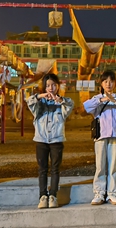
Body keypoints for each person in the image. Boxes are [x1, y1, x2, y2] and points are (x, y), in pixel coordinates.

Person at [83, 70, 116, 205]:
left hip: (115, 134)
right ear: (101, 84)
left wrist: (114, 100)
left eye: (111, 81)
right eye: (105, 81)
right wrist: (102, 99)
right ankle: (99, 193)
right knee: (100, 165)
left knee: (113, 165)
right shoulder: (97, 98)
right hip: (100, 135)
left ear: (115, 83)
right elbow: (86, 107)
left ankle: (112, 194)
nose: (108, 84)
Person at [26, 73, 74, 209]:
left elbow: (70, 104)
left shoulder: (62, 103)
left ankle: (53, 195)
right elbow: (29, 101)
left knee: (55, 169)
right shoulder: (39, 103)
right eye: (47, 85)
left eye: (53, 85)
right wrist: (40, 96)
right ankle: (42, 196)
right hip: (41, 139)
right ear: (44, 87)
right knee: (42, 169)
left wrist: (61, 100)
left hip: (56, 139)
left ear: (58, 86)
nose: (51, 88)